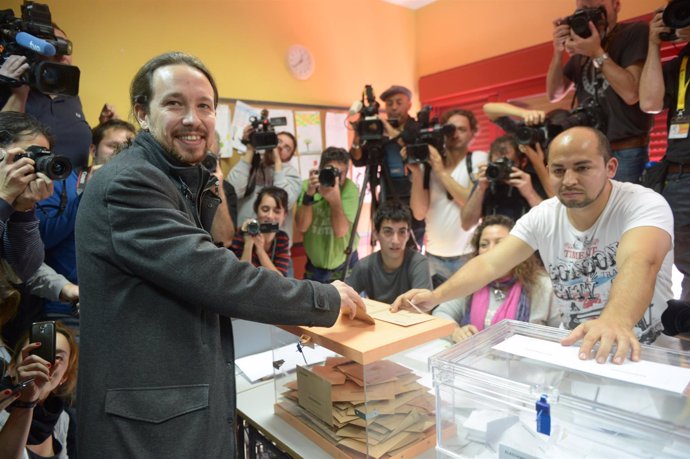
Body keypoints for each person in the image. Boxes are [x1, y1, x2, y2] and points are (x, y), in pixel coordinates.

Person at [74, 51, 364, 457]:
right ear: (142, 112)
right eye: (175, 103)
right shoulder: (131, 183)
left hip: (175, 411)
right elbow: (216, 276)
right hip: (144, 431)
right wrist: (323, 297)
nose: (193, 119)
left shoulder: (179, 178)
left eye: (204, 106)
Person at [393, 126, 674, 365]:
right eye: (559, 170)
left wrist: (615, 320)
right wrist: (435, 297)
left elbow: (641, 261)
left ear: (610, 167)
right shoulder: (544, 215)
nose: (570, 180)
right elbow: (490, 263)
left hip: (647, 357)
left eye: (583, 167)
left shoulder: (642, 203)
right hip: (580, 356)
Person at [546, 0, 653, 183]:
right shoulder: (583, 46)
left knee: (621, 210)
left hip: (626, 148)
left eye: (595, 8)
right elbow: (554, 94)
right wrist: (558, 51)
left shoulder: (634, 32)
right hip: (588, 149)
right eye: (583, 10)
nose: (589, 14)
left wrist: (596, 51)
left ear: (616, 5)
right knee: (591, 211)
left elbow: (631, 93)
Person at [433, 215, 561, 342]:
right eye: (484, 244)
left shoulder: (545, 286)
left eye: (500, 243)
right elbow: (441, 314)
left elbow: (562, 334)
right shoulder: (470, 283)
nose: (491, 250)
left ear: (518, 249)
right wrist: (456, 332)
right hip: (474, 359)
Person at [639, 9, 690, 302]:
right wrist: (654, 45)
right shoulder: (681, 61)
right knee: (682, 266)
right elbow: (649, 102)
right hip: (678, 176)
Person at [408, 108, 487, 282]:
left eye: (462, 129)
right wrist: (416, 172)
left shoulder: (478, 159)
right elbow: (419, 213)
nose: (455, 134)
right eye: (450, 129)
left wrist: (441, 172)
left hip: (467, 256)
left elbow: (470, 202)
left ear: (473, 133)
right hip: (432, 256)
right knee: (434, 309)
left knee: (466, 309)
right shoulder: (429, 165)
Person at [0, 24, 93, 169]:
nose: (61, 54)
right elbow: (4, 139)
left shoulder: (71, 96)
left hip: (75, 188)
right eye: (52, 45)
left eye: (65, 46)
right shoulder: (11, 88)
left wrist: (104, 128)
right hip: (26, 187)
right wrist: (19, 94)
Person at [350, 85, 425, 244]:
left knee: (411, 248)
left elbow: (413, 150)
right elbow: (358, 160)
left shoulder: (417, 128)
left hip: (414, 197)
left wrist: (390, 131)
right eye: (389, 104)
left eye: (399, 102)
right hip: (387, 197)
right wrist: (357, 137)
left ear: (409, 105)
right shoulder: (379, 131)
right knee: (389, 246)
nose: (394, 107)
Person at [0, 323, 79, 459]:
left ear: (64, 377)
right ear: (12, 367)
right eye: (35, 353)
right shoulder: (1, 410)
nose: (46, 361)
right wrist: (27, 400)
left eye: (58, 357)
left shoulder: (62, 419)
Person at [345, 201, 431, 304]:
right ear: (376, 234)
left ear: (408, 235)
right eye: (388, 231)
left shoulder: (419, 263)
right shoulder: (364, 266)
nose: (396, 240)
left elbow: (425, 310)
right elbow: (343, 299)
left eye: (402, 232)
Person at [296, 146, 360, 283]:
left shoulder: (350, 189)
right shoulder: (308, 186)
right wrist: (309, 195)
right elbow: (301, 226)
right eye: (330, 170)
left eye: (340, 173)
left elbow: (340, 231)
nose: (335, 177)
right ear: (320, 169)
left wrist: (335, 200)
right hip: (315, 269)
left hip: (345, 266)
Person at [227, 127, 300, 246]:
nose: (280, 147)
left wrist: (277, 162)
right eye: (279, 141)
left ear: (290, 156)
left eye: (287, 148)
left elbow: (285, 202)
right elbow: (232, 192)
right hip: (244, 241)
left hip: (275, 247)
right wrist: (250, 149)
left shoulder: (292, 174)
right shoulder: (251, 165)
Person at [461, 134, 549, 230]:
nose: (502, 169)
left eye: (508, 163)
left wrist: (530, 194)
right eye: (497, 163)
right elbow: (466, 224)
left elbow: (550, 223)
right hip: (495, 242)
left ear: (522, 161)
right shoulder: (485, 183)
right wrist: (480, 189)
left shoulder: (532, 182)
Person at [230, 186, 290, 276]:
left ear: (284, 215)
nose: (270, 216)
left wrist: (260, 250)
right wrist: (248, 243)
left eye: (277, 211)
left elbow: (280, 279)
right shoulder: (242, 233)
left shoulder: (282, 238)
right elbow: (241, 276)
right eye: (265, 209)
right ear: (256, 209)